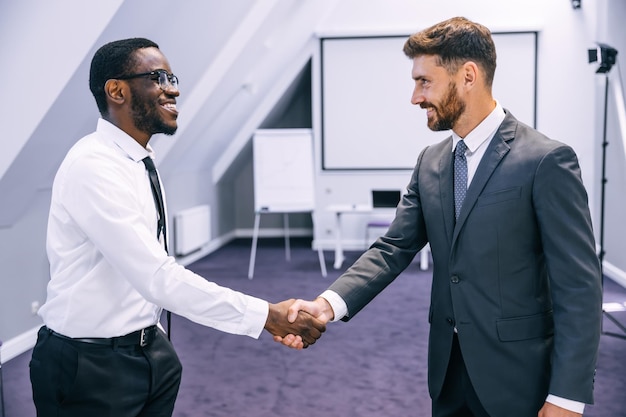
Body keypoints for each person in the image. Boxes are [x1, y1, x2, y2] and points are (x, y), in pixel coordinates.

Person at [278, 17, 603, 417]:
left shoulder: (545, 160)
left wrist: (566, 396)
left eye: (424, 82)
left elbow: (578, 287)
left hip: (519, 378)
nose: (415, 97)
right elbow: (392, 247)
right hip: (447, 374)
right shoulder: (430, 162)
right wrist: (326, 305)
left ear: (468, 75)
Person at [29, 37, 324, 417]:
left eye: (172, 76)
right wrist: (266, 315)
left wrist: (155, 343)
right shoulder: (93, 166)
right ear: (116, 90)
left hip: (150, 352)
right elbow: (157, 276)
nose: (174, 88)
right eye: (158, 77)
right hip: (91, 365)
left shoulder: (139, 160)